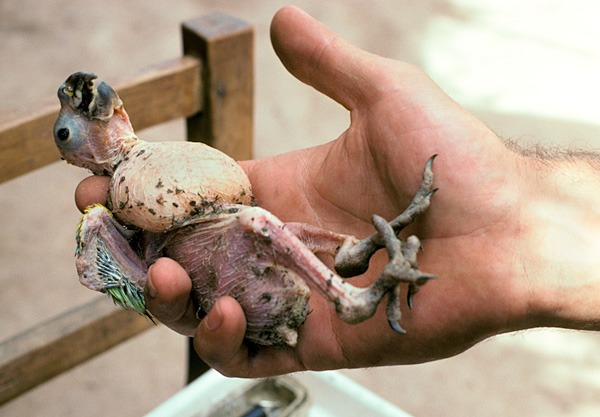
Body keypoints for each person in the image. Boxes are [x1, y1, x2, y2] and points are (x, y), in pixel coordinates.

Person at [75, 6, 600, 378]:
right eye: (73, 132)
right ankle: (352, 297)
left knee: (267, 224)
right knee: (258, 223)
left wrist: (513, 212)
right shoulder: (108, 213)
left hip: (250, 267)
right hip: (238, 284)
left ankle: (360, 251)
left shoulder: (144, 170)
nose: (105, 118)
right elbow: (131, 278)